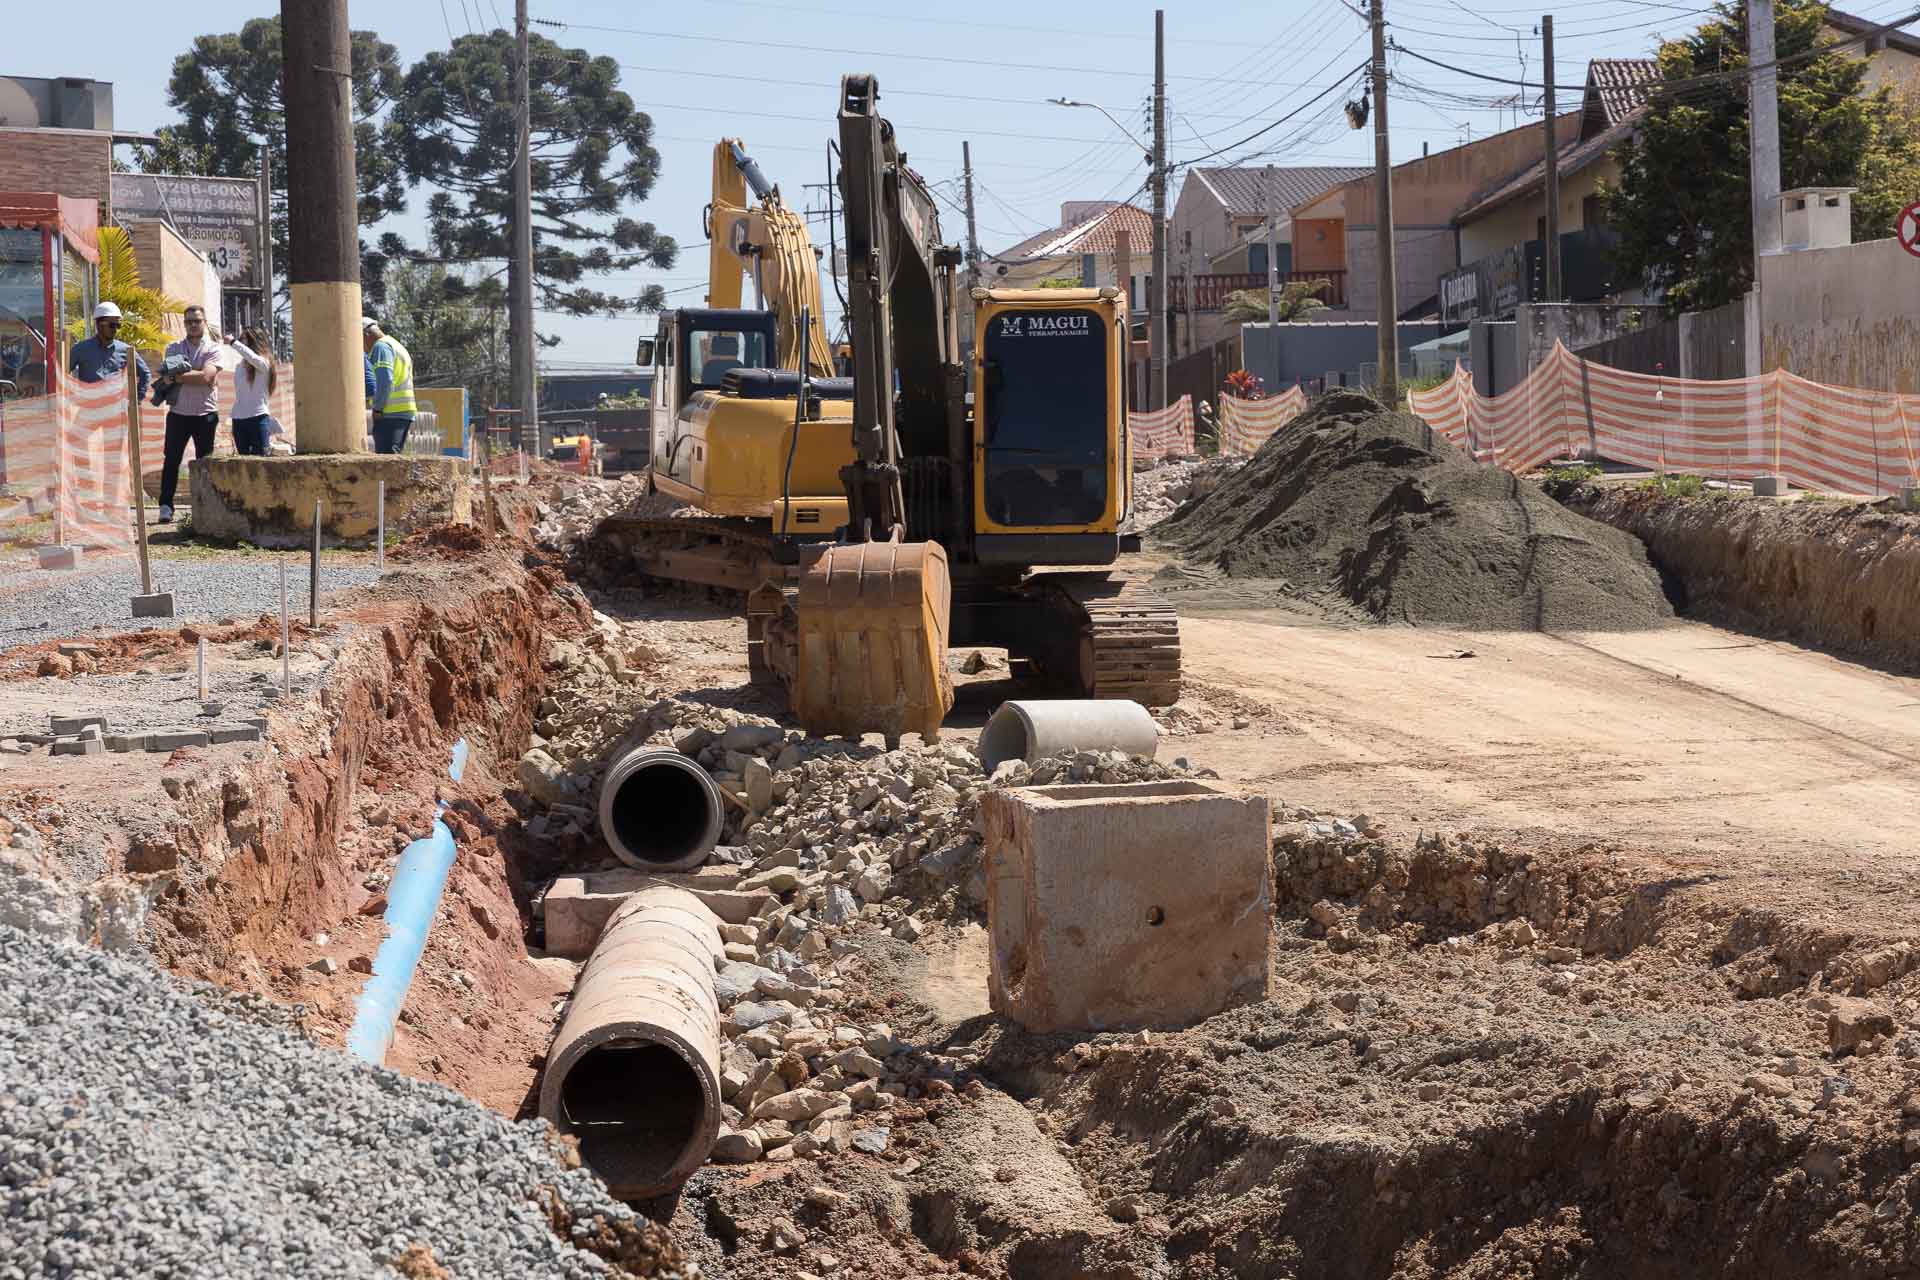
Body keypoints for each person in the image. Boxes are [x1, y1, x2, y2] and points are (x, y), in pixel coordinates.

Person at [155, 304, 222, 522]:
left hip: (206, 414)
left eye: (197, 321)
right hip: (179, 413)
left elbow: (207, 378)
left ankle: (205, 507)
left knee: (204, 462)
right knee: (171, 460)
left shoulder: (213, 348)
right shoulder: (174, 348)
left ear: (204, 322)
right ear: (185, 324)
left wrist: (178, 376)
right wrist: (194, 374)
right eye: (189, 321)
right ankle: (165, 505)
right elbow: (170, 374)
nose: (193, 325)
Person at [68, 302, 151, 400]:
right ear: (99, 325)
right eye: (112, 325)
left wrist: (137, 398)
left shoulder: (126, 350)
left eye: (118, 325)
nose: (115, 329)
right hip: (89, 410)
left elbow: (145, 373)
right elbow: (62, 371)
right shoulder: (80, 349)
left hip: (116, 410)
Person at [362, 318, 417, 454]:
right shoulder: (395, 344)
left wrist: (378, 408)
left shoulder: (381, 347)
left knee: (386, 459)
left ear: (366, 334)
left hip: (390, 412)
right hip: (403, 411)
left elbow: (384, 380)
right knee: (393, 457)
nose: (363, 347)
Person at [225, 326, 277, 456]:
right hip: (238, 420)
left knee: (260, 462)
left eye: (244, 339)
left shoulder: (265, 362)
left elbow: (253, 358)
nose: (241, 342)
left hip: (258, 418)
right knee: (243, 462)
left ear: (254, 341)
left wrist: (233, 342)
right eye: (240, 339)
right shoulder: (239, 366)